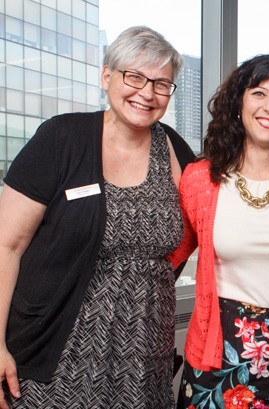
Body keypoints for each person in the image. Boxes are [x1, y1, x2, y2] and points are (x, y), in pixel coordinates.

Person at [0, 26, 195, 408]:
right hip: (54, 350)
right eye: (134, 76)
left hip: (144, 354)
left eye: (161, 83)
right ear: (107, 75)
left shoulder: (174, 147)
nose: (147, 93)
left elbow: (208, 224)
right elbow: (6, 245)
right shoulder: (61, 138)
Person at [168, 54, 269, 409]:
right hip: (219, 354)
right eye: (259, 93)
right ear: (238, 102)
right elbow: (169, 257)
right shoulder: (200, 180)